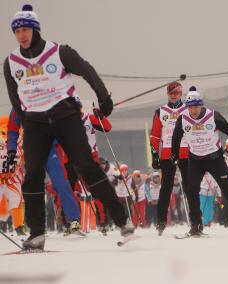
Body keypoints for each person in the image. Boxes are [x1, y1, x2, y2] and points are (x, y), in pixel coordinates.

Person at [3, 4, 133, 250]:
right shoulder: (11, 62)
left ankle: (121, 220)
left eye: (26, 29)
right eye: (17, 31)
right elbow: (14, 99)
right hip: (35, 123)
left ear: (35, 29)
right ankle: (37, 234)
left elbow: (87, 71)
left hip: (65, 117)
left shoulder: (59, 52)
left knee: (86, 166)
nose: (22, 35)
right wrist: (29, 119)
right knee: (31, 177)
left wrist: (104, 98)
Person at [171, 86, 228, 236]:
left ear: (201, 105)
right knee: (192, 191)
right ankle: (196, 225)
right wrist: (174, 154)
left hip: (214, 159)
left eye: (196, 106)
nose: (194, 110)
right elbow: (176, 138)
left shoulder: (213, 116)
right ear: (187, 107)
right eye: (191, 107)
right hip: (195, 160)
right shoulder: (182, 119)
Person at [8, 108, 82, 236]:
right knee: (34, 187)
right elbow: (13, 128)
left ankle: (74, 218)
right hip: (32, 148)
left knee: (61, 183)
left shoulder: (49, 97)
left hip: (51, 148)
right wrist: (11, 150)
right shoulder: (19, 102)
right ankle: (36, 226)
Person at [150, 81, 190, 235]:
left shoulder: (188, 109)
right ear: (167, 94)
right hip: (167, 153)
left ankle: (195, 219)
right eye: (171, 93)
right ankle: (161, 221)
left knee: (189, 186)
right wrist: (155, 155)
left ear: (181, 94)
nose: (173, 96)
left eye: (177, 93)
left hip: (185, 151)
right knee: (166, 187)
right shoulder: (160, 112)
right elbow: (154, 135)